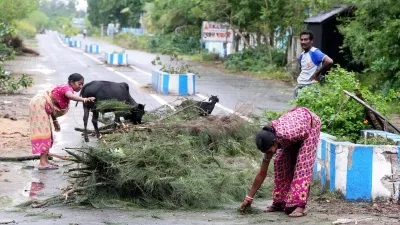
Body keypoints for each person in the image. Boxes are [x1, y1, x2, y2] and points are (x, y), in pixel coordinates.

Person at [241, 107, 321, 217]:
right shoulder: (272, 139)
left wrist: (298, 153)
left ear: (275, 142)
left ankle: (300, 207)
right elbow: (262, 173)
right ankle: (279, 202)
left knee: (302, 165)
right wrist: (249, 197)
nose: (269, 154)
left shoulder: (286, 134)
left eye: (269, 151)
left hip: (310, 124)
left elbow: (302, 139)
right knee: (280, 163)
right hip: (297, 128)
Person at [29, 73, 95, 170]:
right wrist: (84, 99)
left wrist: (55, 121)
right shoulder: (67, 89)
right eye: (79, 83)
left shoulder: (64, 88)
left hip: (43, 106)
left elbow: (51, 105)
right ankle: (42, 163)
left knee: (48, 134)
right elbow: (70, 96)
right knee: (44, 134)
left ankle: (45, 161)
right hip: (39, 105)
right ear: (72, 82)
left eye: (82, 84)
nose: (80, 87)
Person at [295, 30, 333, 98]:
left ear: (311, 41)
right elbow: (302, 70)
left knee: (308, 108)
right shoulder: (302, 55)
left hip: (311, 87)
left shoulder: (314, 52)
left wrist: (317, 74)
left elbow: (329, 61)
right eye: (301, 40)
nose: (303, 42)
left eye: (306, 39)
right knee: (299, 108)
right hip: (300, 86)